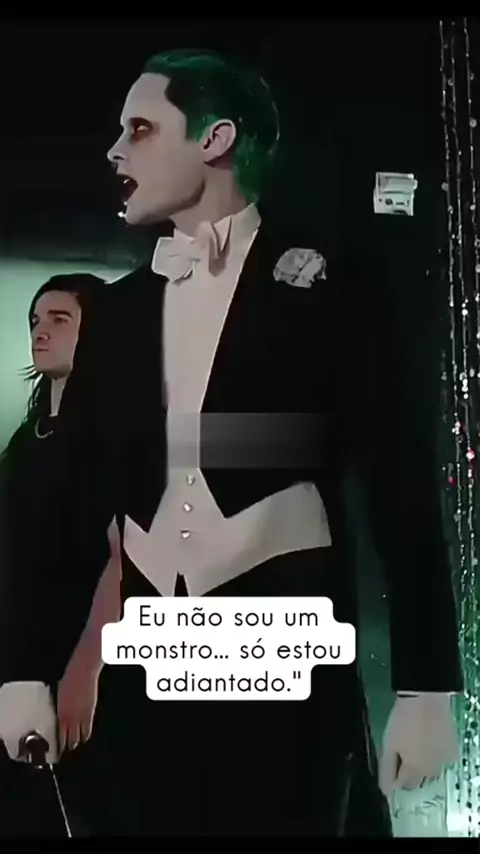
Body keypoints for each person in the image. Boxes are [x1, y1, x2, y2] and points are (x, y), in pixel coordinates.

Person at [0, 49, 462, 836]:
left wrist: (426, 688)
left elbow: (401, 485)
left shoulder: (331, 287)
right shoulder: (115, 314)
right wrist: (24, 671)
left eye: (141, 129)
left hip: (282, 657)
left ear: (214, 140)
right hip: (146, 672)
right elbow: (66, 510)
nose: (116, 150)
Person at [0, 274, 121, 835]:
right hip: (21, 659)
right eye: (35, 320)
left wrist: (87, 667)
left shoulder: (111, 438)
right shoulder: (29, 440)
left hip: (77, 659)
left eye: (59, 319)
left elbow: (126, 557)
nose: (39, 332)